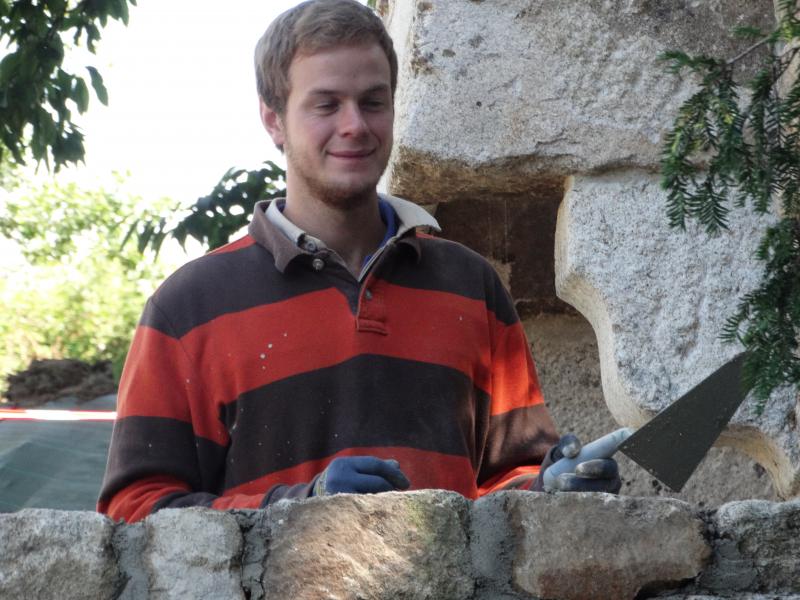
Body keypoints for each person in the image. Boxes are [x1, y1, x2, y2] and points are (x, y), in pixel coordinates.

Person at [98, 0, 620, 523]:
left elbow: (507, 481)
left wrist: (553, 490)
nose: (355, 125)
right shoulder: (188, 307)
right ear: (273, 119)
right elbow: (132, 512)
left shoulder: (470, 285)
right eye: (326, 105)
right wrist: (301, 508)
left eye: (373, 102)